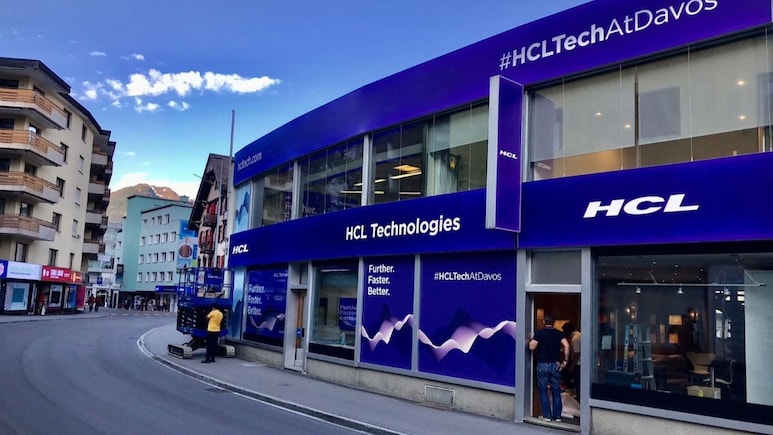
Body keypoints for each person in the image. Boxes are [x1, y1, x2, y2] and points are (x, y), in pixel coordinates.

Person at [529, 315, 570, 422]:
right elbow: (566, 345)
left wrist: (532, 341)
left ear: (544, 322)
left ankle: (547, 416)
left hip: (542, 364)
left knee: (543, 390)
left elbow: (532, 347)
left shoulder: (539, 333)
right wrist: (565, 360)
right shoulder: (559, 333)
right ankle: (557, 416)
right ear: (554, 322)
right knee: (556, 390)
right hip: (555, 364)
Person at [562, 322, 582, 401]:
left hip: (578, 364)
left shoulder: (574, 339)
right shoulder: (580, 335)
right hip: (582, 363)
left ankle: (579, 400)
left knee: (578, 384)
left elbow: (577, 353)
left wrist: (572, 366)